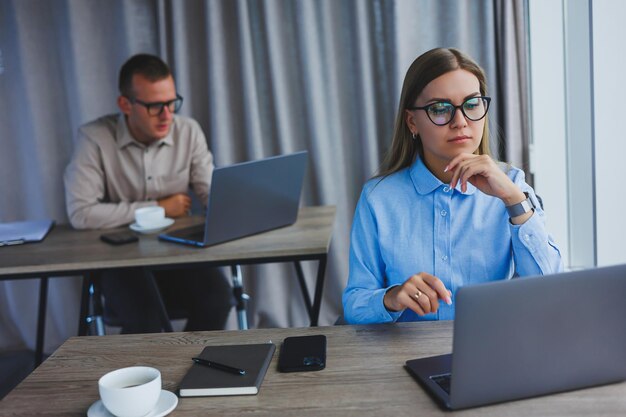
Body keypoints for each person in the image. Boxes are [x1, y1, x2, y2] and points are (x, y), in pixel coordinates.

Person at [342, 48, 563, 324]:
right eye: (440, 109)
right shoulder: (378, 198)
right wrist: (392, 297)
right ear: (413, 122)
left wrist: (513, 199)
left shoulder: (513, 185)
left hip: (494, 352)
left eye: (472, 104)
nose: (460, 122)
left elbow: (552, 291)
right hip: (404, 358)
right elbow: (354, 304)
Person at [64, 53, 233, 333]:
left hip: (179, 252)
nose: (167, 115)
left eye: (171, 103)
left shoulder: (188, 131)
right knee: (145, 319)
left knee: (219, 299)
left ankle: (188, 365)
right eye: (155, 106)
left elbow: (211, 194)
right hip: (120, 261)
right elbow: (81, 213)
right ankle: (154, 373)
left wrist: (234, 202)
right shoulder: (94, 138)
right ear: (125, 104)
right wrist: (160, 207)